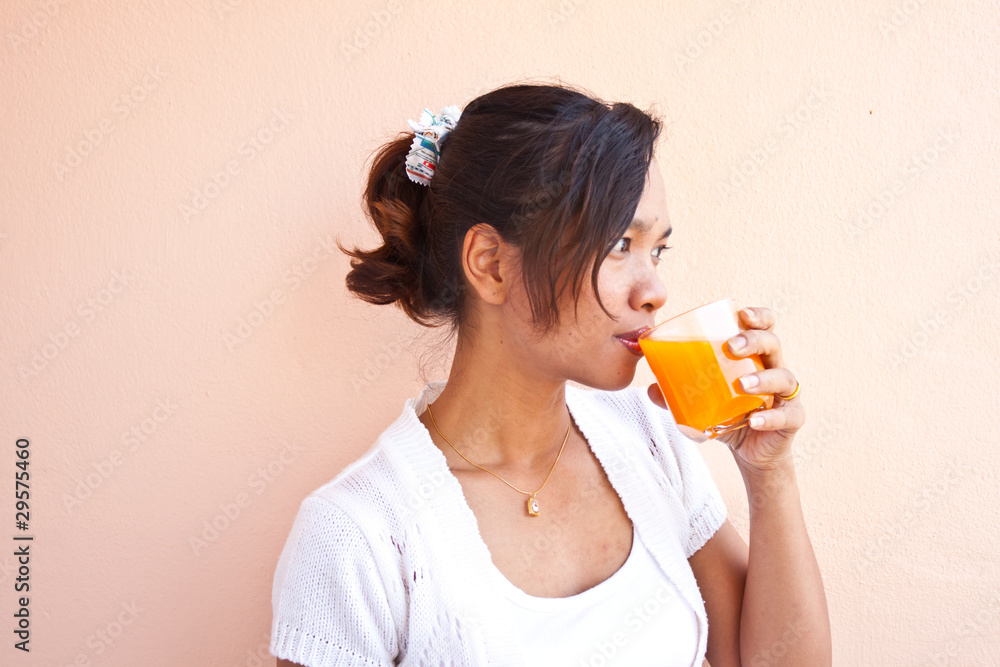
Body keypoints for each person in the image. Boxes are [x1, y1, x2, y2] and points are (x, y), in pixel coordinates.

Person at [269, 81, 831, 666]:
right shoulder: (357, 534)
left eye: (657, 250)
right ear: (490, 265)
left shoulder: (648, 439)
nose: (655, 291)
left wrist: (769, 473)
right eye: (618, 244)